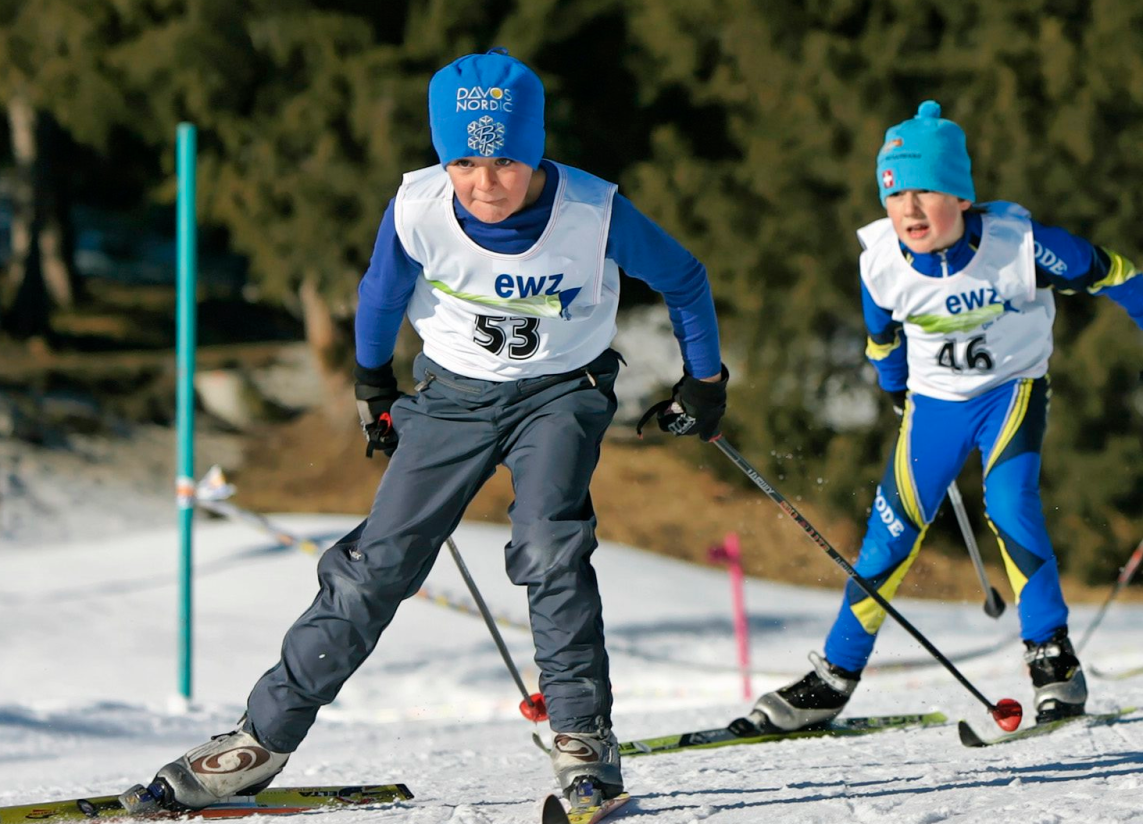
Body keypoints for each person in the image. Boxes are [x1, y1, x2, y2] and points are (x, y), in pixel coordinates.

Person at [125, 49, 727, 811]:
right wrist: (372, 382)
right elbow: (380, 293)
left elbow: (684, 277)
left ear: (535, 148)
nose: (484, 183)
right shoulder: (418, 207)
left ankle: (583, 740)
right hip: (450, 399)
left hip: (562, 394)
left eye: (505, 160)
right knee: (376, 564)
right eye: (465, 161)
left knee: (550, 548)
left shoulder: (593, 209)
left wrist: (705, 381)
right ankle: (260, 739)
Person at [734, 100, 1143, 734]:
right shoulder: (879, 261)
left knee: (1010, 506)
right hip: (934, 407)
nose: (911, 210)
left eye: (928, 191)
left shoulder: (1021, 247)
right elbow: (881, 339)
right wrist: (896, 387)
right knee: (890, 538)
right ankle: (833, 679)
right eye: (897, 195)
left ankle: (1052, 661)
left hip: (1011, 392)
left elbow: (1111, 272)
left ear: (961, 195)